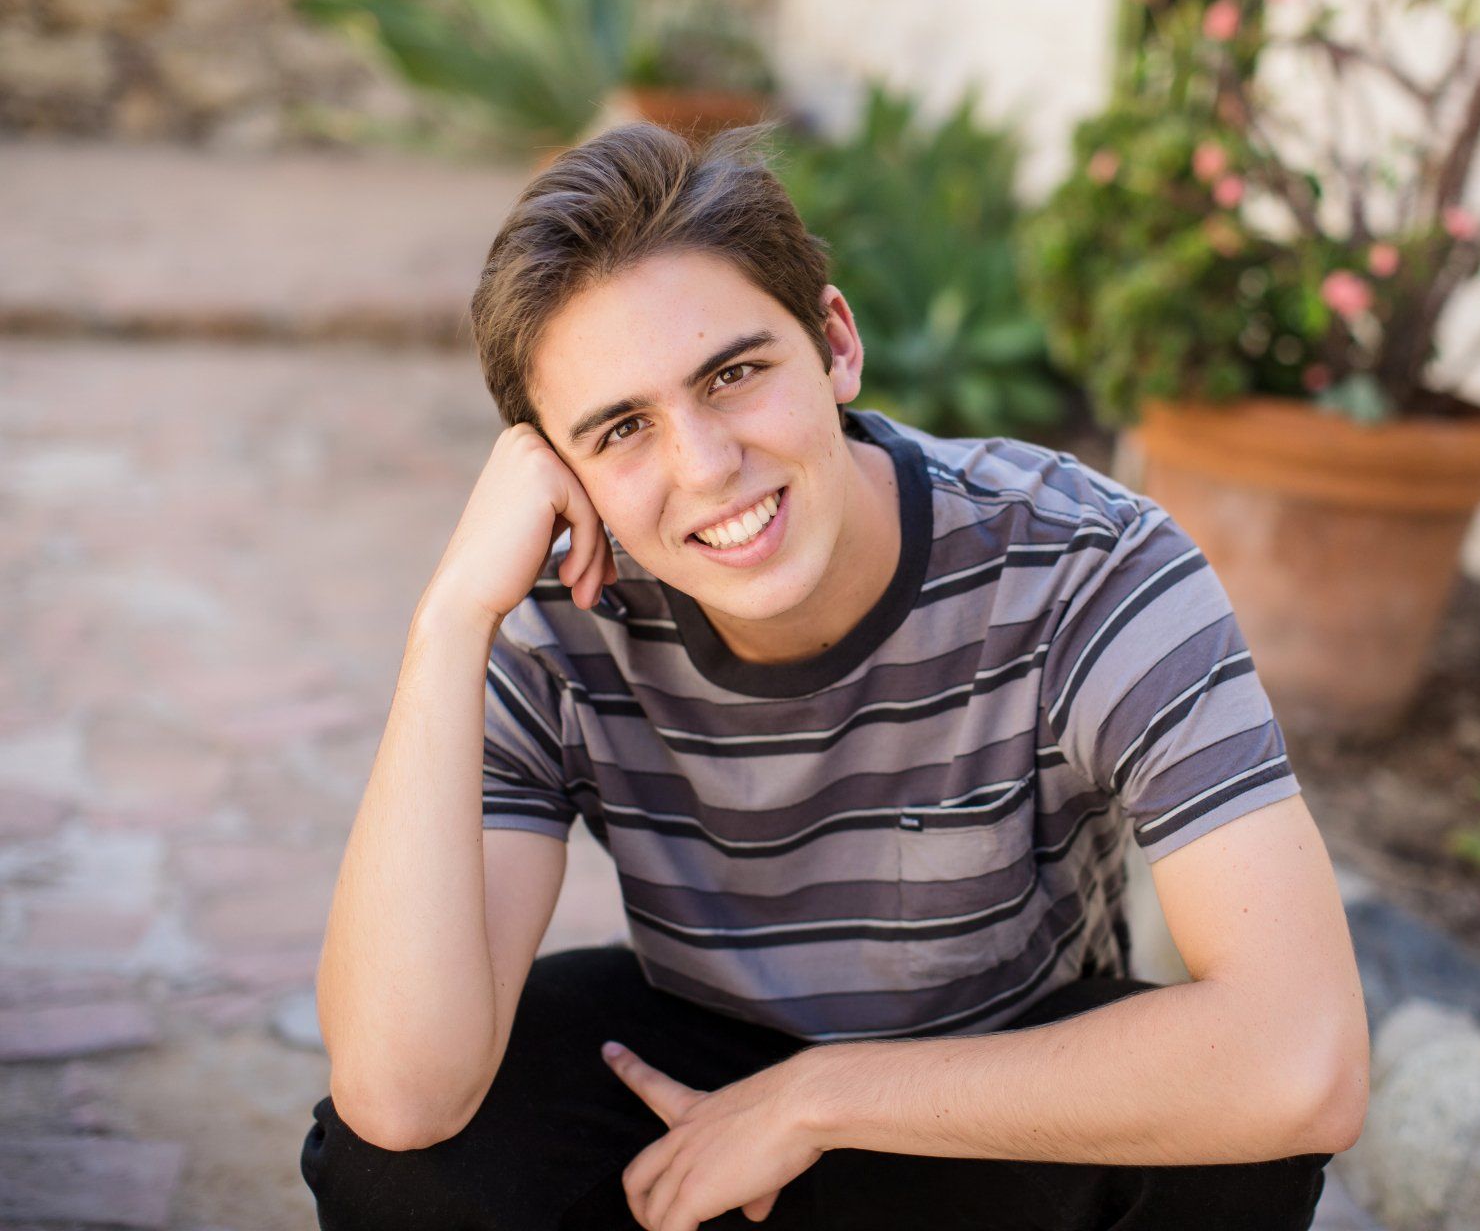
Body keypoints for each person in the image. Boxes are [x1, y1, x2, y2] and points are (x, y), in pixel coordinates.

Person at [299, 122, 1369, 1231]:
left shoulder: (1086, 566)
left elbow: (1305, 1058)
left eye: (734, 374)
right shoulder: (554, 616)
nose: (706, 465)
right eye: (621, 429)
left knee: (1234, 1146)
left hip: (992, 1103)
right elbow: (400, 1094)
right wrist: (449, 620)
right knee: (405, 1168)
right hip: (698, 1077)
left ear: (836, 344)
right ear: (560, 474)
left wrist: (818, 1100)